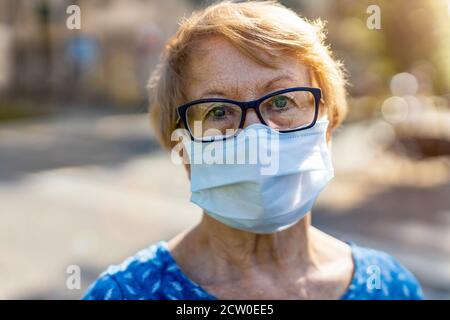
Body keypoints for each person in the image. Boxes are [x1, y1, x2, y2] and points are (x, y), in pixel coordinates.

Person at [83, 0, 423, 300]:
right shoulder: (124, 293)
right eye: (218, 111)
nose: (256, 135)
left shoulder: (390, 288)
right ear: (182, 145)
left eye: (281, 101)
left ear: (328, 122)